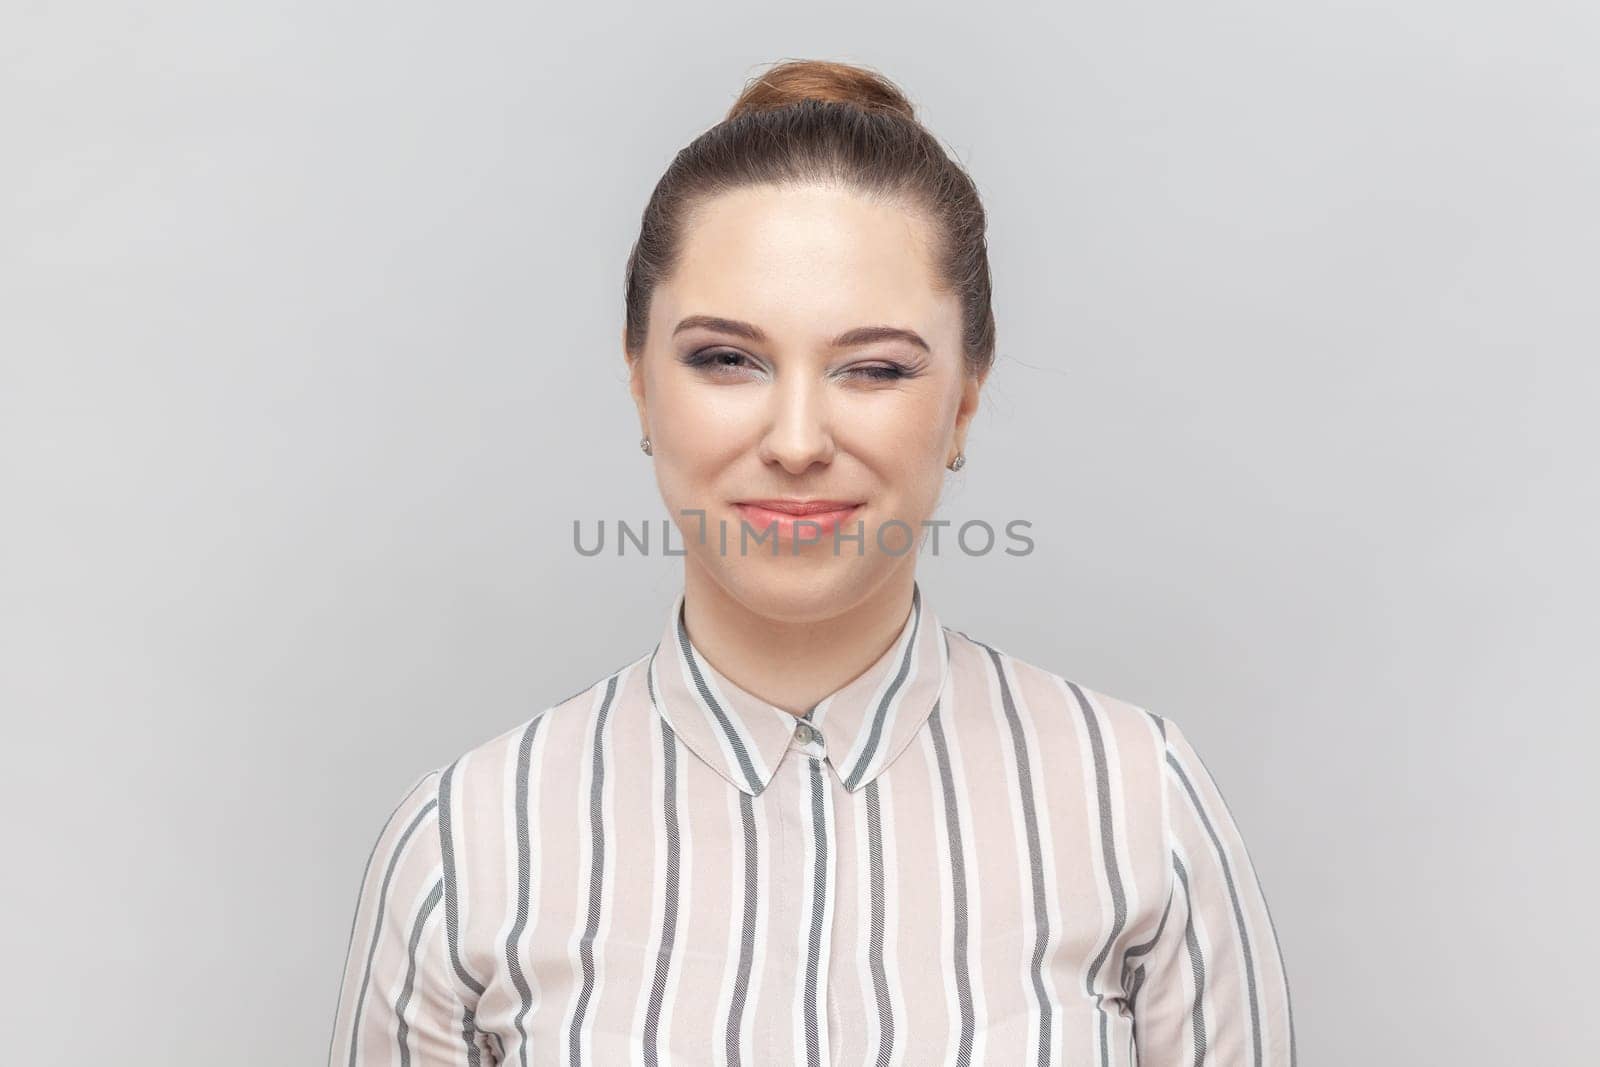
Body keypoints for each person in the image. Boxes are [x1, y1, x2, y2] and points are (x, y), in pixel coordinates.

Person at [325, 58, 1296, 1066]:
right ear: (639, 380)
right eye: (726, 359)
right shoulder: (466, 841)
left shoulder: (1137, 800)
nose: (796, 439)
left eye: (872, 368)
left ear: (963, 396)